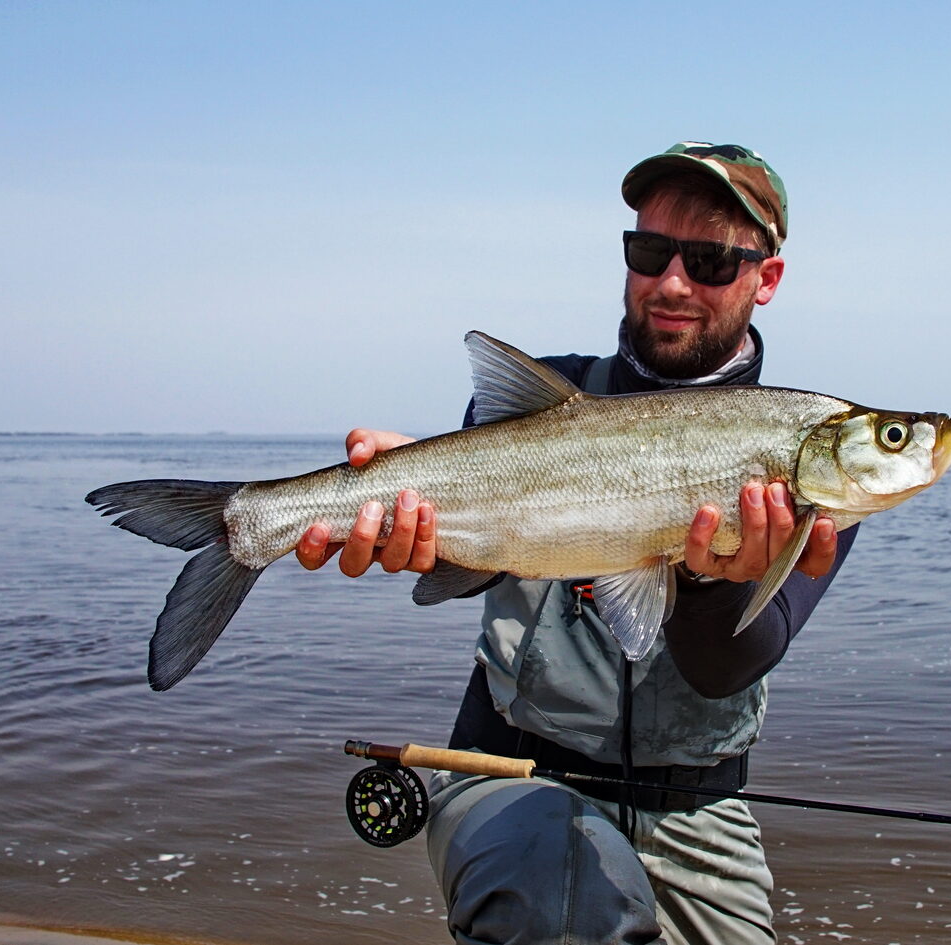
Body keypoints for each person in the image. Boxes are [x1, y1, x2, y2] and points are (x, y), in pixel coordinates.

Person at [297, 142, 861, 945]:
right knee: (565, 918)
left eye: (707, 260)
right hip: (509, 781)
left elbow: (727, 663)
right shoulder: (541, 400)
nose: (671, 282)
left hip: (701, 812)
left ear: (765, 278)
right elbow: (463, 555)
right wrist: (394, 499)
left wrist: (704, 580)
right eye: (648, 250)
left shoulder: (813, 460)